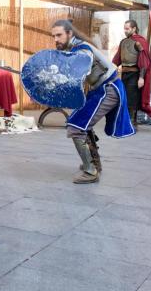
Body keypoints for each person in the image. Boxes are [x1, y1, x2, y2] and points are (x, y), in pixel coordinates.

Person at [51, 19, 134, 184]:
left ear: (70, 33)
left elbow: (82, 68)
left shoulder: (82, 50)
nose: (55, 39)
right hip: (100, 89)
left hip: (108, 89)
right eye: (53, 36)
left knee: (76, 126)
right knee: (79, 122)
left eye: (59, 35)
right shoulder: (74, 49)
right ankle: (94, 164)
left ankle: (91, 171)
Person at [112, 20, 151, 126]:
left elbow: (144, 60)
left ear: (134, 29)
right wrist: (112, 67)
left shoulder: (140, 42)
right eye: (125, 28)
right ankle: (126, 120)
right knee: (124, 96)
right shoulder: (123, 42)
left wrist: (141, 78)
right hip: (124, 74)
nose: (125, 30)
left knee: (132, 98)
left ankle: (132, 122)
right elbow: (117, 58)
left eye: (127, 28)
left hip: (135, 74)